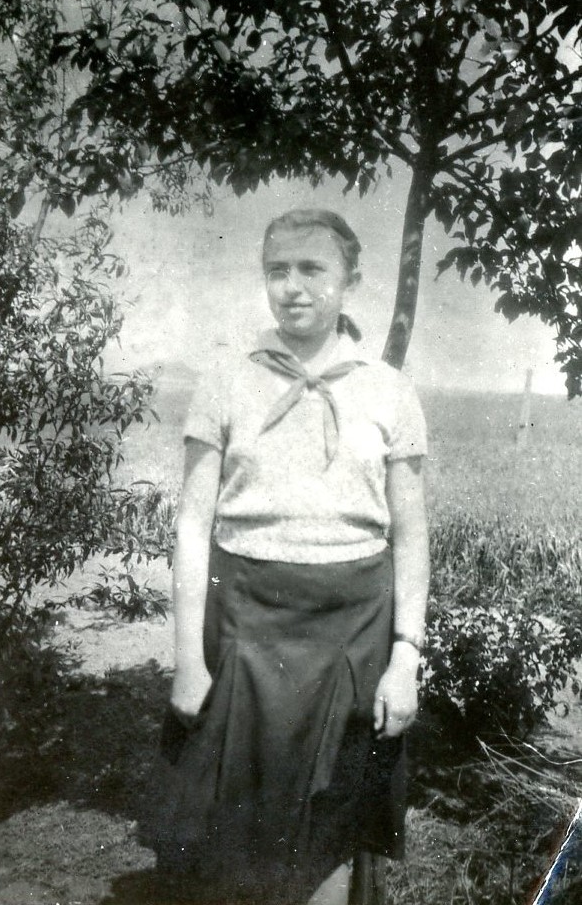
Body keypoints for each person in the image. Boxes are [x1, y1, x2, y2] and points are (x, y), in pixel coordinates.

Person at [140, 209, 429, 905]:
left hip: (353, 633)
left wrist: (405, 657)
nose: (293, 286)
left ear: (350, 280)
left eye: (312, 268)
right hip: (245, 623)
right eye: (278, 270)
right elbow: (192, 525)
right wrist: (188, 661)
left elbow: (412, 535)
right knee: (228, 824)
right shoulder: (225, 381)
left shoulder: (389, 390)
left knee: (331, 822)